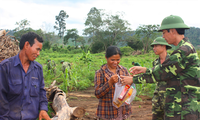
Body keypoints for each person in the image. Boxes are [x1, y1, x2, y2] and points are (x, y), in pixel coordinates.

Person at [120, 15, 200, 120]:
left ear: (172, 31)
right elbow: (168, 71)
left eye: (163, 33)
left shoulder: (183, 50)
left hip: (183, 110)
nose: (163, 37)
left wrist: (133, 79)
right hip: (182, 107)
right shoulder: (186, 48)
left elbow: (162, 72)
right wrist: (146, 70)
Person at [0, 32, 51, 120]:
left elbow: (41, 91)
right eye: (37, 49)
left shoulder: (38, 69)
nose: (38, 53)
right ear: (27, 45)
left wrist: (43, 109)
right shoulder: (6, 67)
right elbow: (1, 97)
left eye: (40, 51)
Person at [94, 46, 132, 120]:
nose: (115, 62)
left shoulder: (123, 70)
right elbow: (98, 94)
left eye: (118, 60)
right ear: (106, 58)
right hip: (108, 112)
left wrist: (131, 80)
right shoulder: (100, 73)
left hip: (123, 110)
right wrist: (110, 83)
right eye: (112, 60)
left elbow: (128, 89)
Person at [150, 37, 171, 120]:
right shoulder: (155, 62)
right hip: (157, 98)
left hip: (169, 97)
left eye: (156, 46)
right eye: (153, 46)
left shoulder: (172, 61)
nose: (153, 48)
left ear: (163, 46)